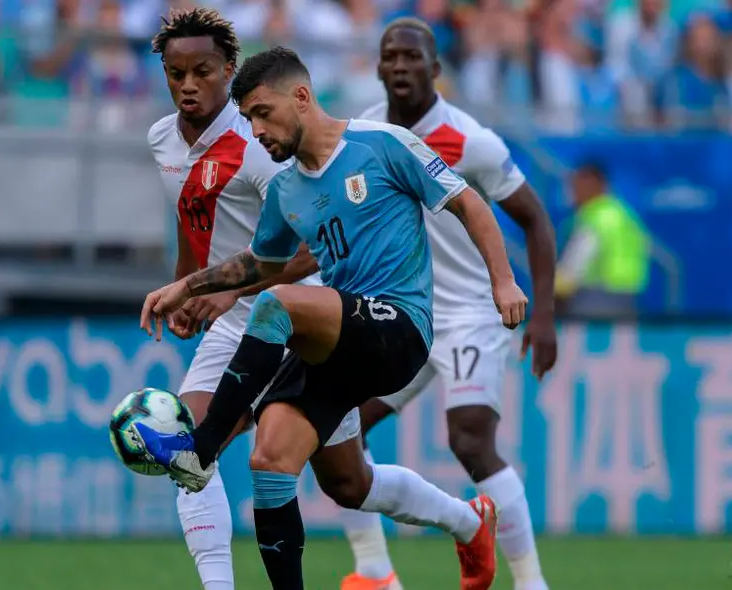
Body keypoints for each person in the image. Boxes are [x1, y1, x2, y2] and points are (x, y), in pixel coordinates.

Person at [133, 46, 528, 590]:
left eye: (263, 113)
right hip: (339, 341)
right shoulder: (288, 188)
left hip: (399, 327)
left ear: (301, 96)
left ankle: (200, 451)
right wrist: (187, 284)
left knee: (277, 306)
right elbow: (260, 263)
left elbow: (468, 204)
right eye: (247, 119)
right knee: (284, 466)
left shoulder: (382, 143)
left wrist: (502, 279)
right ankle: (468, 523)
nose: (256, 130)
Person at [339, 18, 559, 590]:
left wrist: (544, 314)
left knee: (468, 439)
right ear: (378, 65)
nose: (401, 67)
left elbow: (536, 221)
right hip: (402, 314)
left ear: (436, 69)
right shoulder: (361, 131)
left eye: (413, 57)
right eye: (391, 56)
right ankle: (375, 573)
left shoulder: (470, 141)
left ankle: (531, 582)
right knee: (337, 427)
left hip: (470, 314)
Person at [146, 9, 336, 590]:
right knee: (188, 454)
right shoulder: (161, 138)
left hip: (301, 318)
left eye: (202, 71)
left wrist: (227, 292)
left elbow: (310, 250)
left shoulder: (256, 146)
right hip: (231, 321)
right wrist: (187, 286)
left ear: (229, 69)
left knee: (350, 482)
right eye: (175, 73)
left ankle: (460, 521)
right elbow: (192, 218)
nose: (187, 85)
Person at [556, 162, 649, 319]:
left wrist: (553, 291)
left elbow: (574, 267)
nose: (573, 193)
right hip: (628, 296)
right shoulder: (622, 213)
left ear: (595, 186)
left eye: (577, 187)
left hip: (596, 298)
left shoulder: (594, 219)